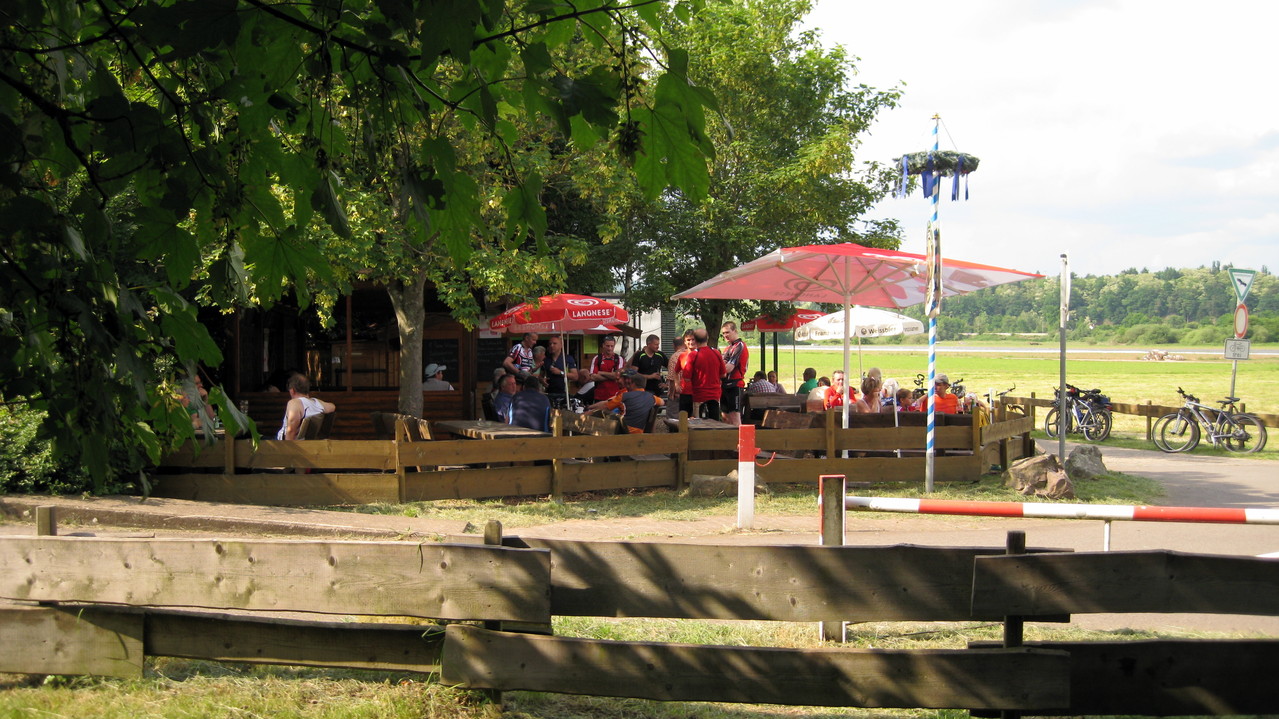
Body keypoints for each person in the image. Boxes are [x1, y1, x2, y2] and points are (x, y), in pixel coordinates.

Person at [589, 369, 665, 433]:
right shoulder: (651, 397)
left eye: (625, 379)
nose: (625, 382)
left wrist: (587, 412)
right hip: (639, 431)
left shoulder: (624, 396)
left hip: (624, 431)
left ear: (631, 382)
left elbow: (605, 406)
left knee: (594, 424)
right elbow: (662, 402)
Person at [277, 373, 335, 440]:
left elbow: (290, 431)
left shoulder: (294, 403)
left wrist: (287, 449)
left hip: (284, 445)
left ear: (292, 391)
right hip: (308, 443)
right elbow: (332, 407)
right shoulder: (317, 403)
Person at [688, 328, 725, 420]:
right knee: (715, 421)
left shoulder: (693, 355)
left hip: (699, 394)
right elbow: (723, 374)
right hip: (714, 394)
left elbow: (686, 377)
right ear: (707, 338)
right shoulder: (716, 353)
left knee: (698, 422)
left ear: (695, 340)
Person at [719, 321, 748, 426]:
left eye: (727, 332)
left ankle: (739, 440)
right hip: (724, 385)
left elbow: (728, 368)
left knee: (735, 417)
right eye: (723, 333)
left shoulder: (739, 345)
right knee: (725, 417)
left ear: (735, 331)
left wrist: (718, 368)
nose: (725, 335)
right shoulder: (727, 348)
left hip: (735, 385)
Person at [587, 335, 625, 402]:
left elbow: (617, 376)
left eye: (612, 346)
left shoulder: (619, 359)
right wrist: (612, 376)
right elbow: (592, 377)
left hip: (615, 396)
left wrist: (601, 372)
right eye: (607, 346)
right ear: (603, 345)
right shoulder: (597, 358)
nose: (610, 348)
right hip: (599, 396)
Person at [542, 335, 578, 401]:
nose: (551, 345)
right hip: (549, 394)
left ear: (561, 345)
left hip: (564, 394)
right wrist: (542, 380)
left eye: (554, 343)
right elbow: (540, 376)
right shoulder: (546, 360)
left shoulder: (567, 359)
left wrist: (560, 372)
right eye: (550, 344)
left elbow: (575, 376)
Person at [669, 330, 695, 410]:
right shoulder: (682, 356)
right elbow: (674, 372)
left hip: (698, 393)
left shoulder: (701, 355)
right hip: (684, 392)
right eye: (688, 340)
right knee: (684, 418)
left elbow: (671, 377)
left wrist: (671, 394)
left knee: (697, 419)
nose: (690, 342)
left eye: (693, 339)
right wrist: (677, 385)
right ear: (684, 342)